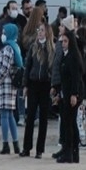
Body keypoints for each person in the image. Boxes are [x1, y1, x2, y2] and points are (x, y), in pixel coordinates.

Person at [21, 22, 54, 159]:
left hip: (45, 85)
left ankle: (40, 149)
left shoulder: (51, 49)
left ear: (47, 32)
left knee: (43, 119)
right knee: (30, 117)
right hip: (34, 84)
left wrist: (54, 86)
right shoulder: (33, 47)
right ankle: (26, 148)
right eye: (38, 30)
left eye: (42, 30)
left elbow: (53, 69)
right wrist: (25, 85)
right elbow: (27, 66)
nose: (39, 32)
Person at [0, 23, 22, 155]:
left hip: (4, 85)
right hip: (11, 85)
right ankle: (16, 144)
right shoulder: (15, 47)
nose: (2, 34)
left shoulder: (6, 49)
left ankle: (6, 144)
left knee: (4, 115)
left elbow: (4, 68)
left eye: (4, 32)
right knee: (10, 115)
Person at [56, 30, 83, 163]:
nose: (63, 44)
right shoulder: (66, 56)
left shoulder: (73, 57)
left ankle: (70, 153)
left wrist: (74, 94)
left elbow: (75, 78)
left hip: (72, 95)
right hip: (66, 94)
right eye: (62, 41)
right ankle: (73, 153)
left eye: (66, 41)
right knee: (70, 123)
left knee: (69, 124)